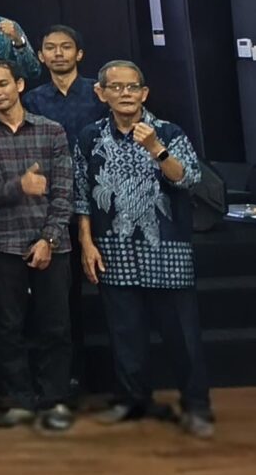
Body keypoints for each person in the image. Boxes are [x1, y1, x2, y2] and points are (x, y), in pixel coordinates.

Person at [75, 62, 213, 436]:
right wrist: (86, 243)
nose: (125, 94)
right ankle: (131, 400)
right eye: (116, 87)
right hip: (114, 249)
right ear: (101, 93)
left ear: (144, 93)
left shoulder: (169, 132)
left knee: (182, 336)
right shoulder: (89, 137)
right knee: (125, 334)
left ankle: (196, 405)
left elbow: (189, 179)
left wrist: (156, 149)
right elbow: (81, 194)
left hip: (166, 249)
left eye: (132, 87)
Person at [0, 59, 77, 433]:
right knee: (7, 327)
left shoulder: (51, 131)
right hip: (4, 243)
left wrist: (49, 238)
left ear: (19, 85)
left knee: (56, 326)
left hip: (52, 244)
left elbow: (64, 191)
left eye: (2, 84)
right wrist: (18, 186)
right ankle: (19, 399)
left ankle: (54, 399)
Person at [24, 24, 105, 133]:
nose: (58, 53)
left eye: (66, 47)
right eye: (50, 48)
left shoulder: (98, 92)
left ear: (79, 54)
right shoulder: (32, 100)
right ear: (41, 56)